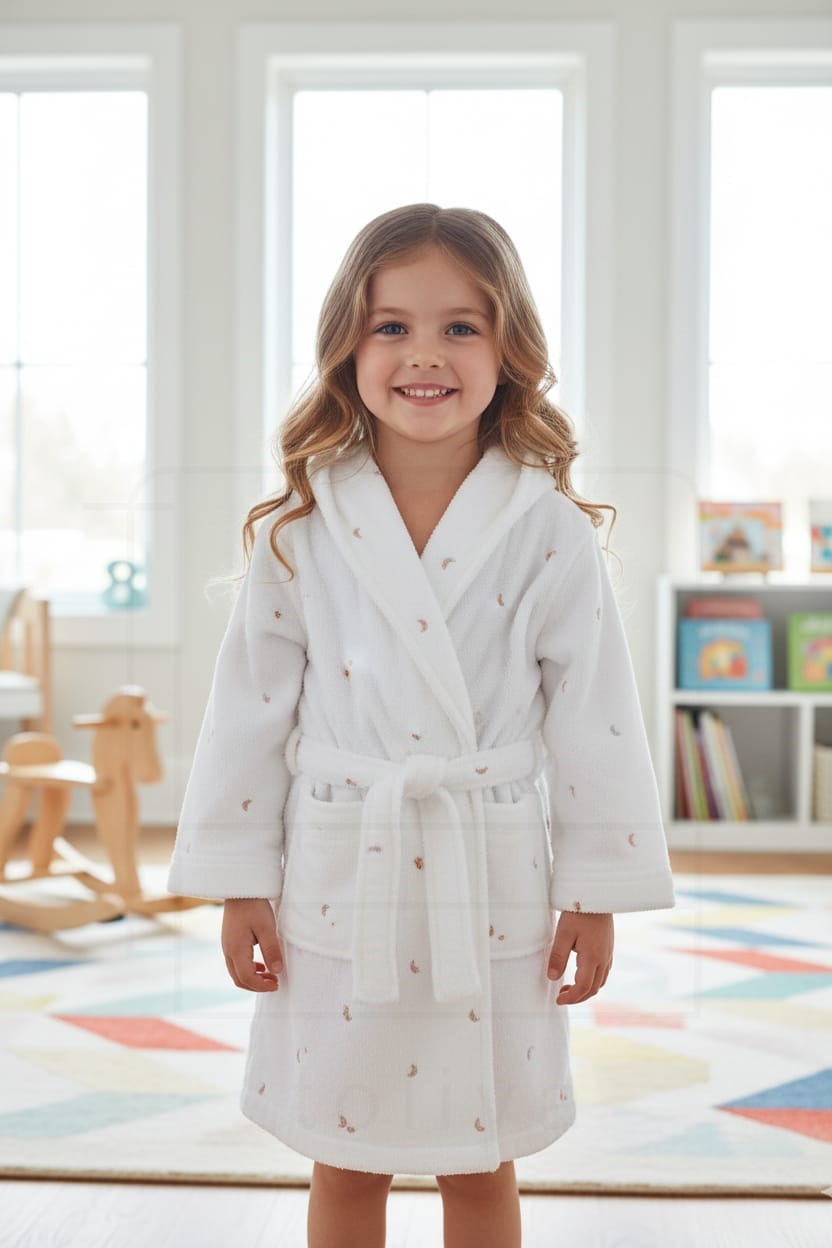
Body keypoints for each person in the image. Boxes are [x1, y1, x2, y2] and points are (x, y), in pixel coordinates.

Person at [167, 203, 676, 1248]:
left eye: (461, 327)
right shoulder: (305, 525)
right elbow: (247, 714)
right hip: (341, 867)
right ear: (347, 348)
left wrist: (594, 894)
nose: (424, 355)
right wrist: (240, 881)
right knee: (343, 1153)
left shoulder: (547, 529)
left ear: (509, 349)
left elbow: (595, 721)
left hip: (488, 873)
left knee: (480, 1158)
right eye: (391, 326)